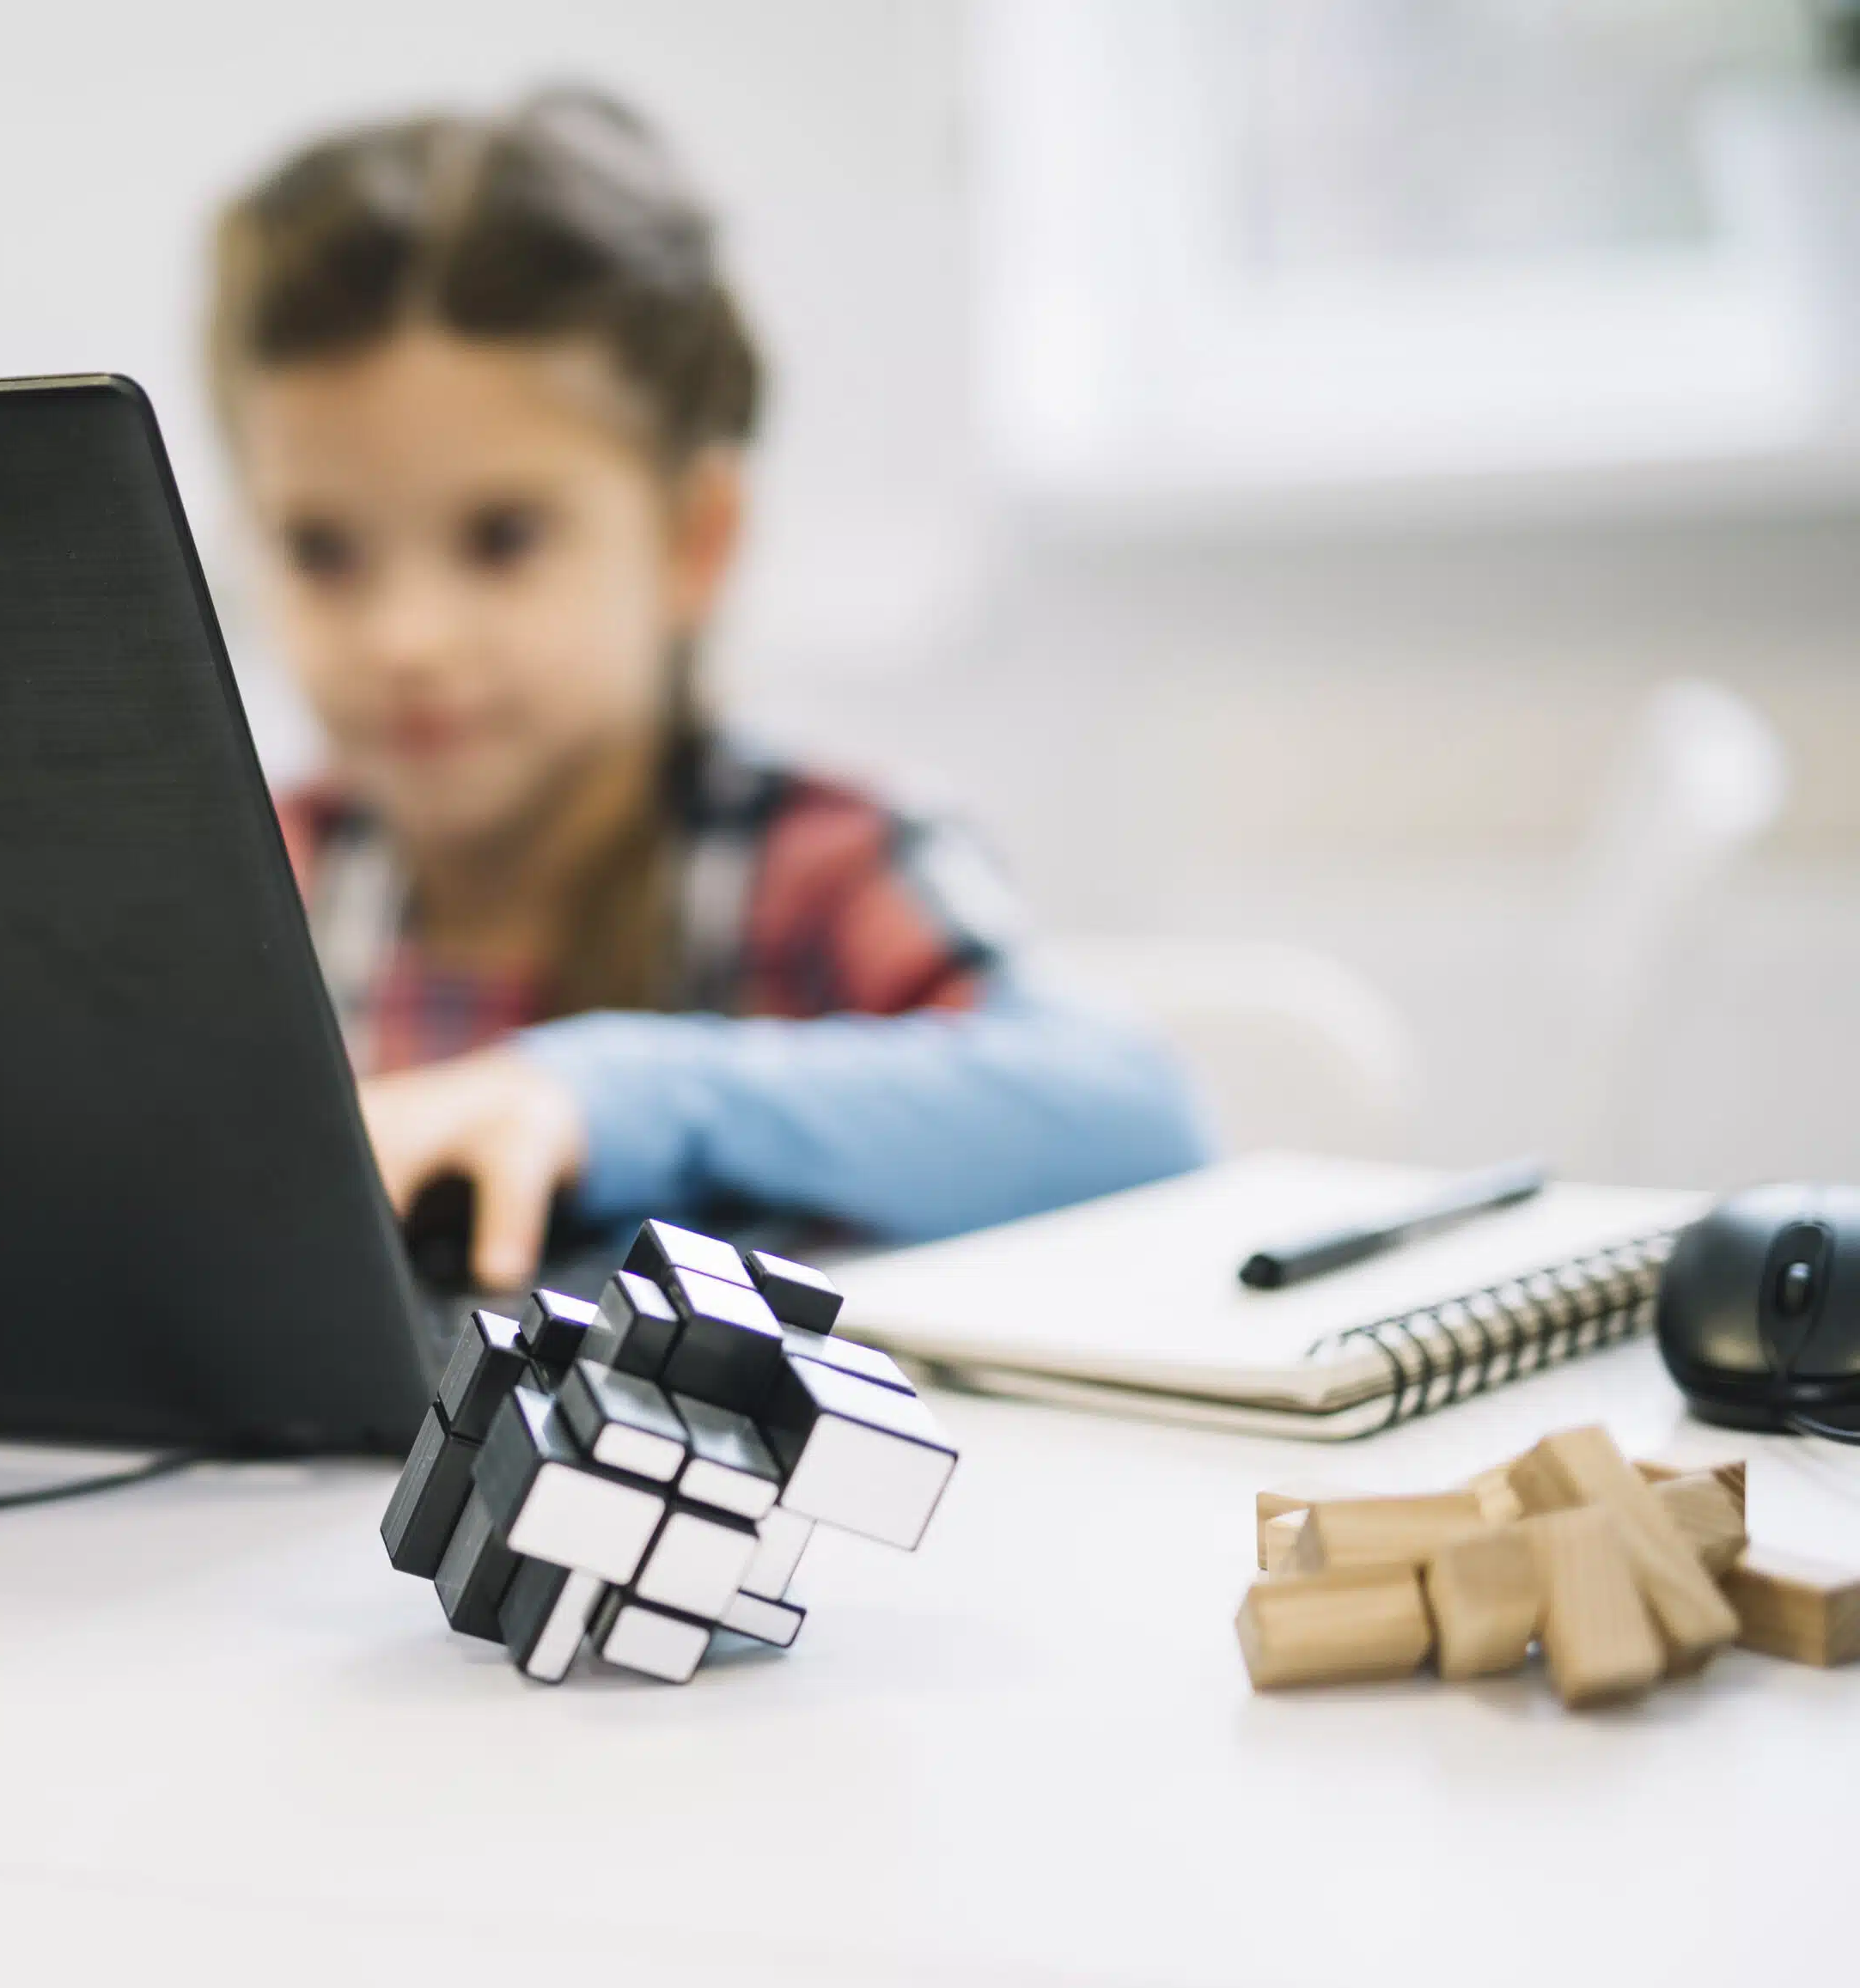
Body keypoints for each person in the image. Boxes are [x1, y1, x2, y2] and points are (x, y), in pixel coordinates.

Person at [208, 86, 1206, 1290]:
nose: (407, 639)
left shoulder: (822, 865)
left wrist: (607, 1092)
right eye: (323, 550)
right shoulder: (255, 882)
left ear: (697, 540)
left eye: (503, 538)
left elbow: (1137, 1120)